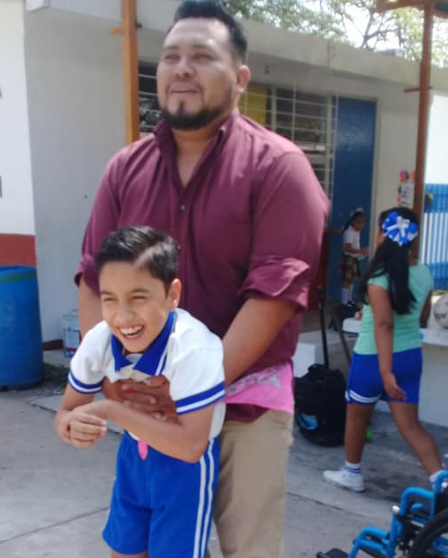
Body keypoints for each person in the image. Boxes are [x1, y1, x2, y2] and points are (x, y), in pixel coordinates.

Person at [76, 1, 330, 556]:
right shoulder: (125, 170)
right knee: (144, 545)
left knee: (248, 548)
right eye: (171, 57)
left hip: (243, 405)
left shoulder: (279, 169)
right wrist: (114, 379)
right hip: (148, 402)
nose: (182, 68)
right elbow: (95, 282)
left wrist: (190, 387)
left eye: (201, 56)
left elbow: (273, 297)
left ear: (240, 78)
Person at [56, 226, 225, 558]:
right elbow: (67, 411)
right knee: (123, 550)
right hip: (134, 457)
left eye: (138, 298)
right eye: (110, 299)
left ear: (172, 294)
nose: (123, 316)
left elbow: (192, 446)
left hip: (184, 471)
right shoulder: (101, 339)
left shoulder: (194, 348)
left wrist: (112, 410)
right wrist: (71, 427)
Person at [324, 207, 445, 493]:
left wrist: (385, 371)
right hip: (410, 356)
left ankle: (352, 473)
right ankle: (441, 481)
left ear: (381, 235)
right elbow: (419, 314)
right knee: (411, 426)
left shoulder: (378, 278)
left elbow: (384, 324)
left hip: (373, 359)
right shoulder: (424, 273)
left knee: (357, 417)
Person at [340, 208, 369, 306]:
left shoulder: (356, 231)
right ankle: (344, 302)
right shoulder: (350, 232)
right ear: (352, 222)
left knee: (352, 280)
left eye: (362, 223)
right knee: (347, 281)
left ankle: (349, 300)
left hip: (354, 258)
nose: (360, 225)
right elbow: (347, 248)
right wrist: (360, 251)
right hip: (348, 259)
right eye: (357, 222)